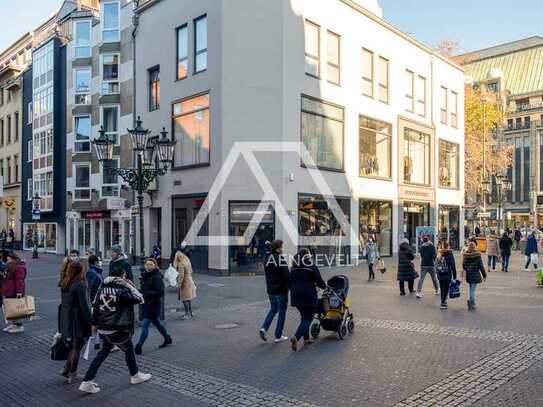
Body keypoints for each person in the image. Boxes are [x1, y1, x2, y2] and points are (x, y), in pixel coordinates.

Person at [79, 267, 151, 394]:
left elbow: (94, 307)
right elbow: (140, 299)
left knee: (103, 352)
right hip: (117, 327)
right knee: (128, 349)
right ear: (121, 277)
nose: (125, 278)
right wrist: (130, 286)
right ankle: (135, 375)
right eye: (124, 276)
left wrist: (95, 324)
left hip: (103, 327)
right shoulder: (122, 290)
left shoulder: (101, 289)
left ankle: (87, 381)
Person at [59, 262, 92, 383]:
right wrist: (91, 321)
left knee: (74, 347)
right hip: (77, 319)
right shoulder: (79, 285)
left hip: (67, 318)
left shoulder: (65, 282)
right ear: (80, 271)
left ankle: (66, 369)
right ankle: (72, 373)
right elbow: (84, 306)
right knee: (77, 347)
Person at [288, 248, 326, 352]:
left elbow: (289, 282)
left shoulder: (294, 267)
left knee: (304, 317)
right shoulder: (311, 266)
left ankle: (306, 339)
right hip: (308, 295)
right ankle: (296, 337)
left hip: (296, 295)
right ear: (307, 255)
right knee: (308, 319)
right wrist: (325, 288)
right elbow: (319, 281)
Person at [135, 258, 172, 355]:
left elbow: (160, 292)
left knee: (145, 324)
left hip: (154, 304)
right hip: (146, 303)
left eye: (151, 264)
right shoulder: (145, 275)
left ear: (155, 265)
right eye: (147, 264)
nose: (148, 266)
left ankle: (139, 346)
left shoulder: (157, 276)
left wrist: (145, 293)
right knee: (157, 323)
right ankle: (167, 338)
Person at [259, 240, 289, 344]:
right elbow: (286, 275)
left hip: (270, 290)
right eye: (281, 247)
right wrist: (290, 286)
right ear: (278, 249)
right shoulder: (280, 259)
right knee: (282, 311)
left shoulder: (267, 259)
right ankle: (278, 335)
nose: (282, 249)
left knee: (273, 309)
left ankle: (264, 328)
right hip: (281, 290)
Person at [2, 252, 27, 333]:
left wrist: (19, 292)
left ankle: (19, 326)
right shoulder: (10, 266)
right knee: (10, 309)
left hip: (14, 291)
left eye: (8, 259)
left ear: (13, 259)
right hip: (9, 290)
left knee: (16, 309)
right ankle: (13, 324)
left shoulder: (19, 267)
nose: (7, 260)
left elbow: (19, 280)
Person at [462, 242, 487, 311]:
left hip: (469, 274)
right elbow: (481, 266)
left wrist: (467, 269)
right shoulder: (477, 255)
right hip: (475, 273)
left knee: (471, 288)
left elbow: (463, 265)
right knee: (472, 290)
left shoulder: (465, 255)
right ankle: (471, 304)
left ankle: (472, 302)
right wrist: (484, 275)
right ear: (475, 247)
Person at [173, 250, 197, 320]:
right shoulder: (187, 261)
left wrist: (179, 284)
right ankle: (190, 312)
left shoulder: (181, 264)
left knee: (184, 299)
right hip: (189, 280)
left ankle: (187, 314)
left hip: (185, 282)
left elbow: (181, 276)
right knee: (188, 298)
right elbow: (191, 271)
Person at [436, 242, 457, 309]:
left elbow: (436, 264)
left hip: (440, 274)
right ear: (448, 247)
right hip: (447, 274)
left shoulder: (439, 253)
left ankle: (442, 301)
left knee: (442, 288)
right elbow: (453, 266)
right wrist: (454, 276)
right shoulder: (449, 254)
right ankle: (443, 303)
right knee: (446, 288)